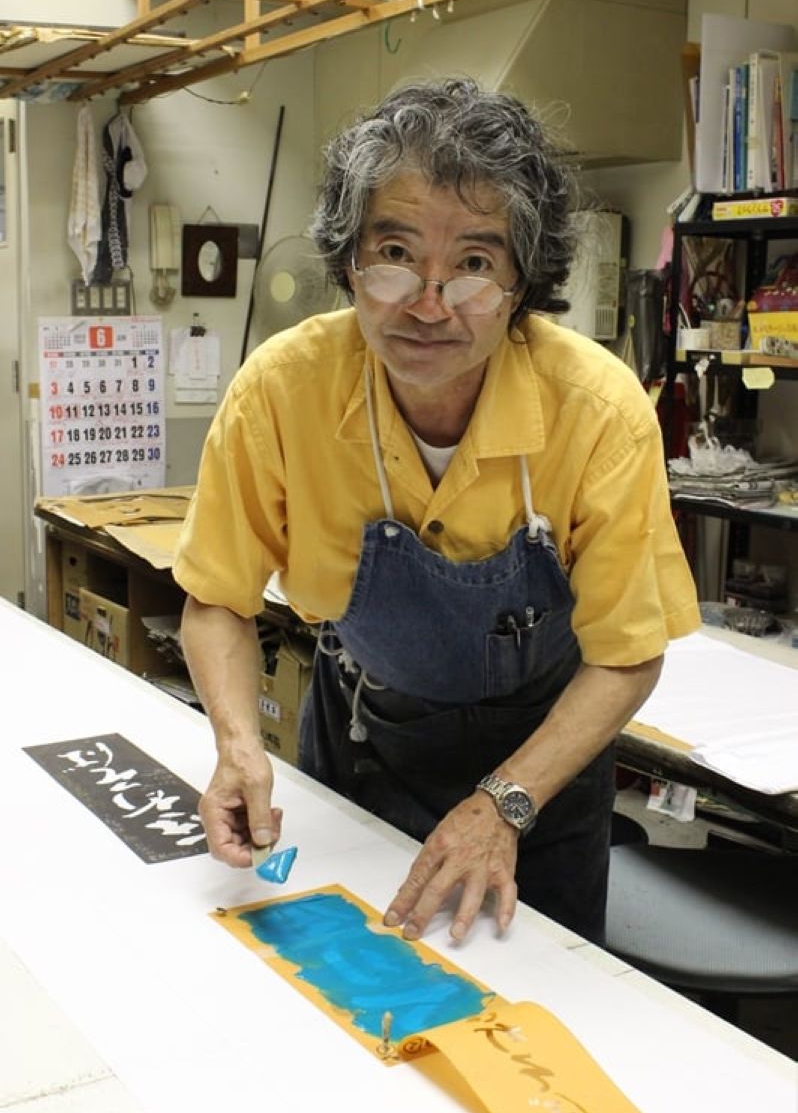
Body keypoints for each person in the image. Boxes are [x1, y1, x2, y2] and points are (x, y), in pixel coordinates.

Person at [173, 77, 699, 948]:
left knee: (535, 1003)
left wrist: (504, 803)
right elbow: (216, 599)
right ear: (348, 260)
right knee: (333, 976)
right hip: (363, 741)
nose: (428, 302)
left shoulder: (597, 412)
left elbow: (627, 656)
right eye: (394, 252)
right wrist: (235, 745)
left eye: (475, 265)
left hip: (543, 772)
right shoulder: (282, 391)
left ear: (522, 283)